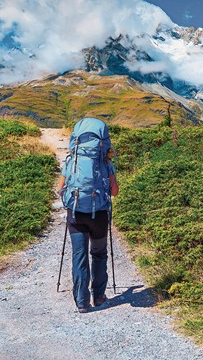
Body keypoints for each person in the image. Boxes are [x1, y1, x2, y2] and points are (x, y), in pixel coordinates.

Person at [57, 123, 119, 313]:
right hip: (99, 215)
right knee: (99, 254)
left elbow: (60, 190)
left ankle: (82, 302)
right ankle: (98, 296)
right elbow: (115, 191)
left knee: (79, 256)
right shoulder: (106, 163)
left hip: (76, 215)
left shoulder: (71, 160)